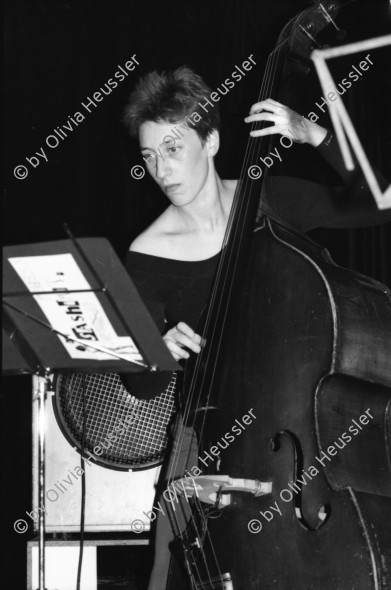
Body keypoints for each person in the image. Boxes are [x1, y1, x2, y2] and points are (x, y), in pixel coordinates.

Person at [122, 66, 390, 590]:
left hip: (294, 439)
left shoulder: (268, 200)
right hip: (205, 447)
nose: (161, 169)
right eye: (149, 156)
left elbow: (381, 201)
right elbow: (142, 384)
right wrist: (157, 350)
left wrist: (318, 137)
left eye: (173, 149)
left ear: (212, 140)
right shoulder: (147, 252)